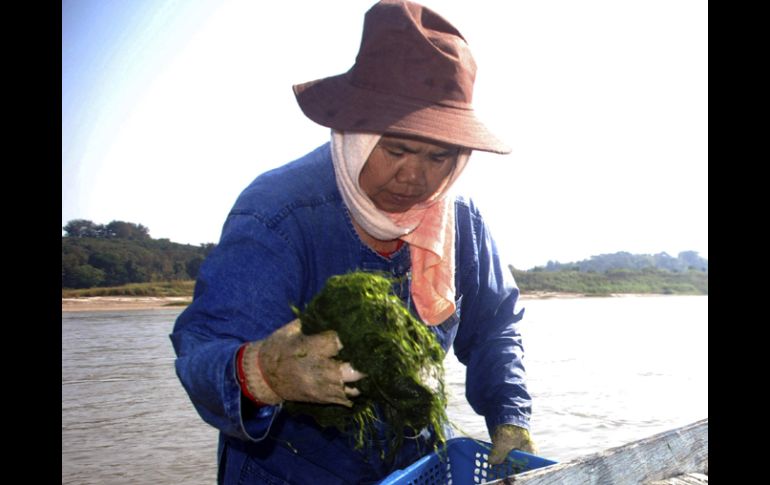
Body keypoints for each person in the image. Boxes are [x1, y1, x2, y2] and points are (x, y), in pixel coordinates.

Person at [170, 1, 535, 483]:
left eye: (438, 157)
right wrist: (263, 371)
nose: (414, 176)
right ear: (358, 132)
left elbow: (494, 327)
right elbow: (203, 350)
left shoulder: (458, 220)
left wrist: (511, 419)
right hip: (287, 468)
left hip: (414, 459)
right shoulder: (279, 213)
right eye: (397, 149)